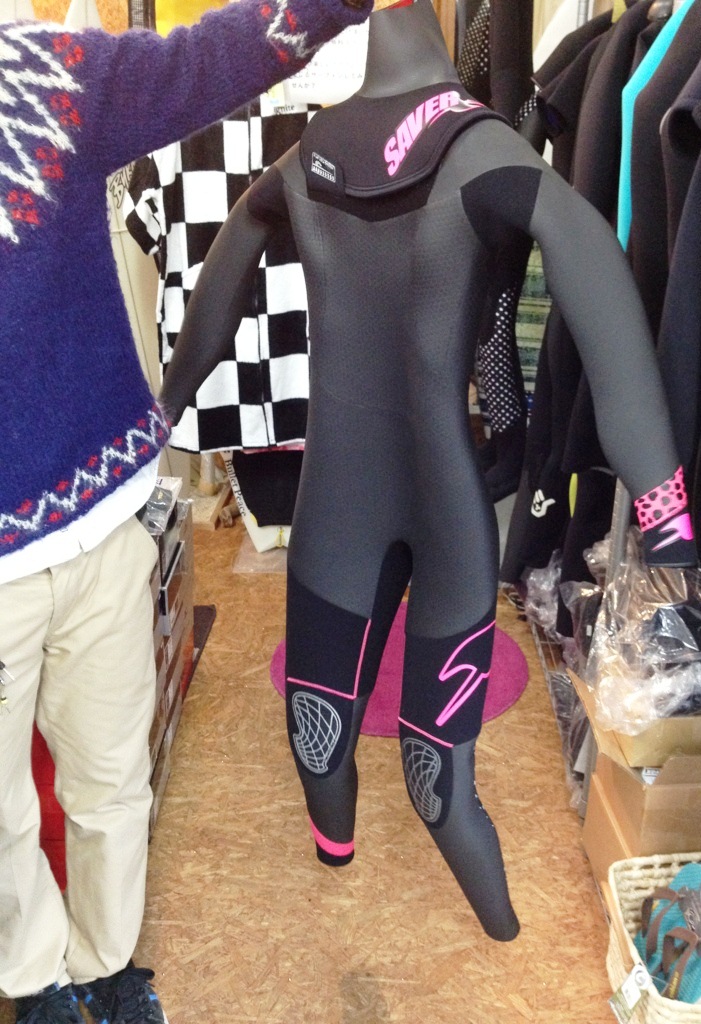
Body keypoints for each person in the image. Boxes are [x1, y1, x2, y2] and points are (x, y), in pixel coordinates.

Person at [160, 0, 697, 943]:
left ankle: (459, 912)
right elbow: (606, 300)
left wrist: (157, 419)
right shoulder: (483, 155)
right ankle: (405, 884)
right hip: (418, 503)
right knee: (386, 765)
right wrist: (666, 518)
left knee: (365, 756)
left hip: (367, 499)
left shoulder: (310, 161)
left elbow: (213, 298)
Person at [0, 0, 372, 1021]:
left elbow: (204, 61)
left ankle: (106, 966)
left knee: (112, 780)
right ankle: (35, 986)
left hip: (101, 523)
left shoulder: (45, 75)